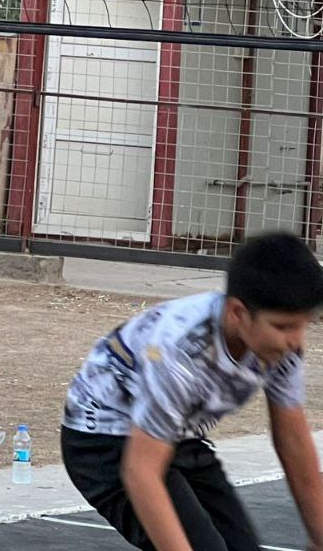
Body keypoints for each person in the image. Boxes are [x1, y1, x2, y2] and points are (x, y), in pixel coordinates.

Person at [62, 232, 323, 551]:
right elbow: (141, 471)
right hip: (103, 440)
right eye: (283, 326)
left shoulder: (281, 347)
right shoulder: (180, 353)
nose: (295, 340)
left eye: (303, 324)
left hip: (174, 433)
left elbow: (293, 440)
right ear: (237, 313)